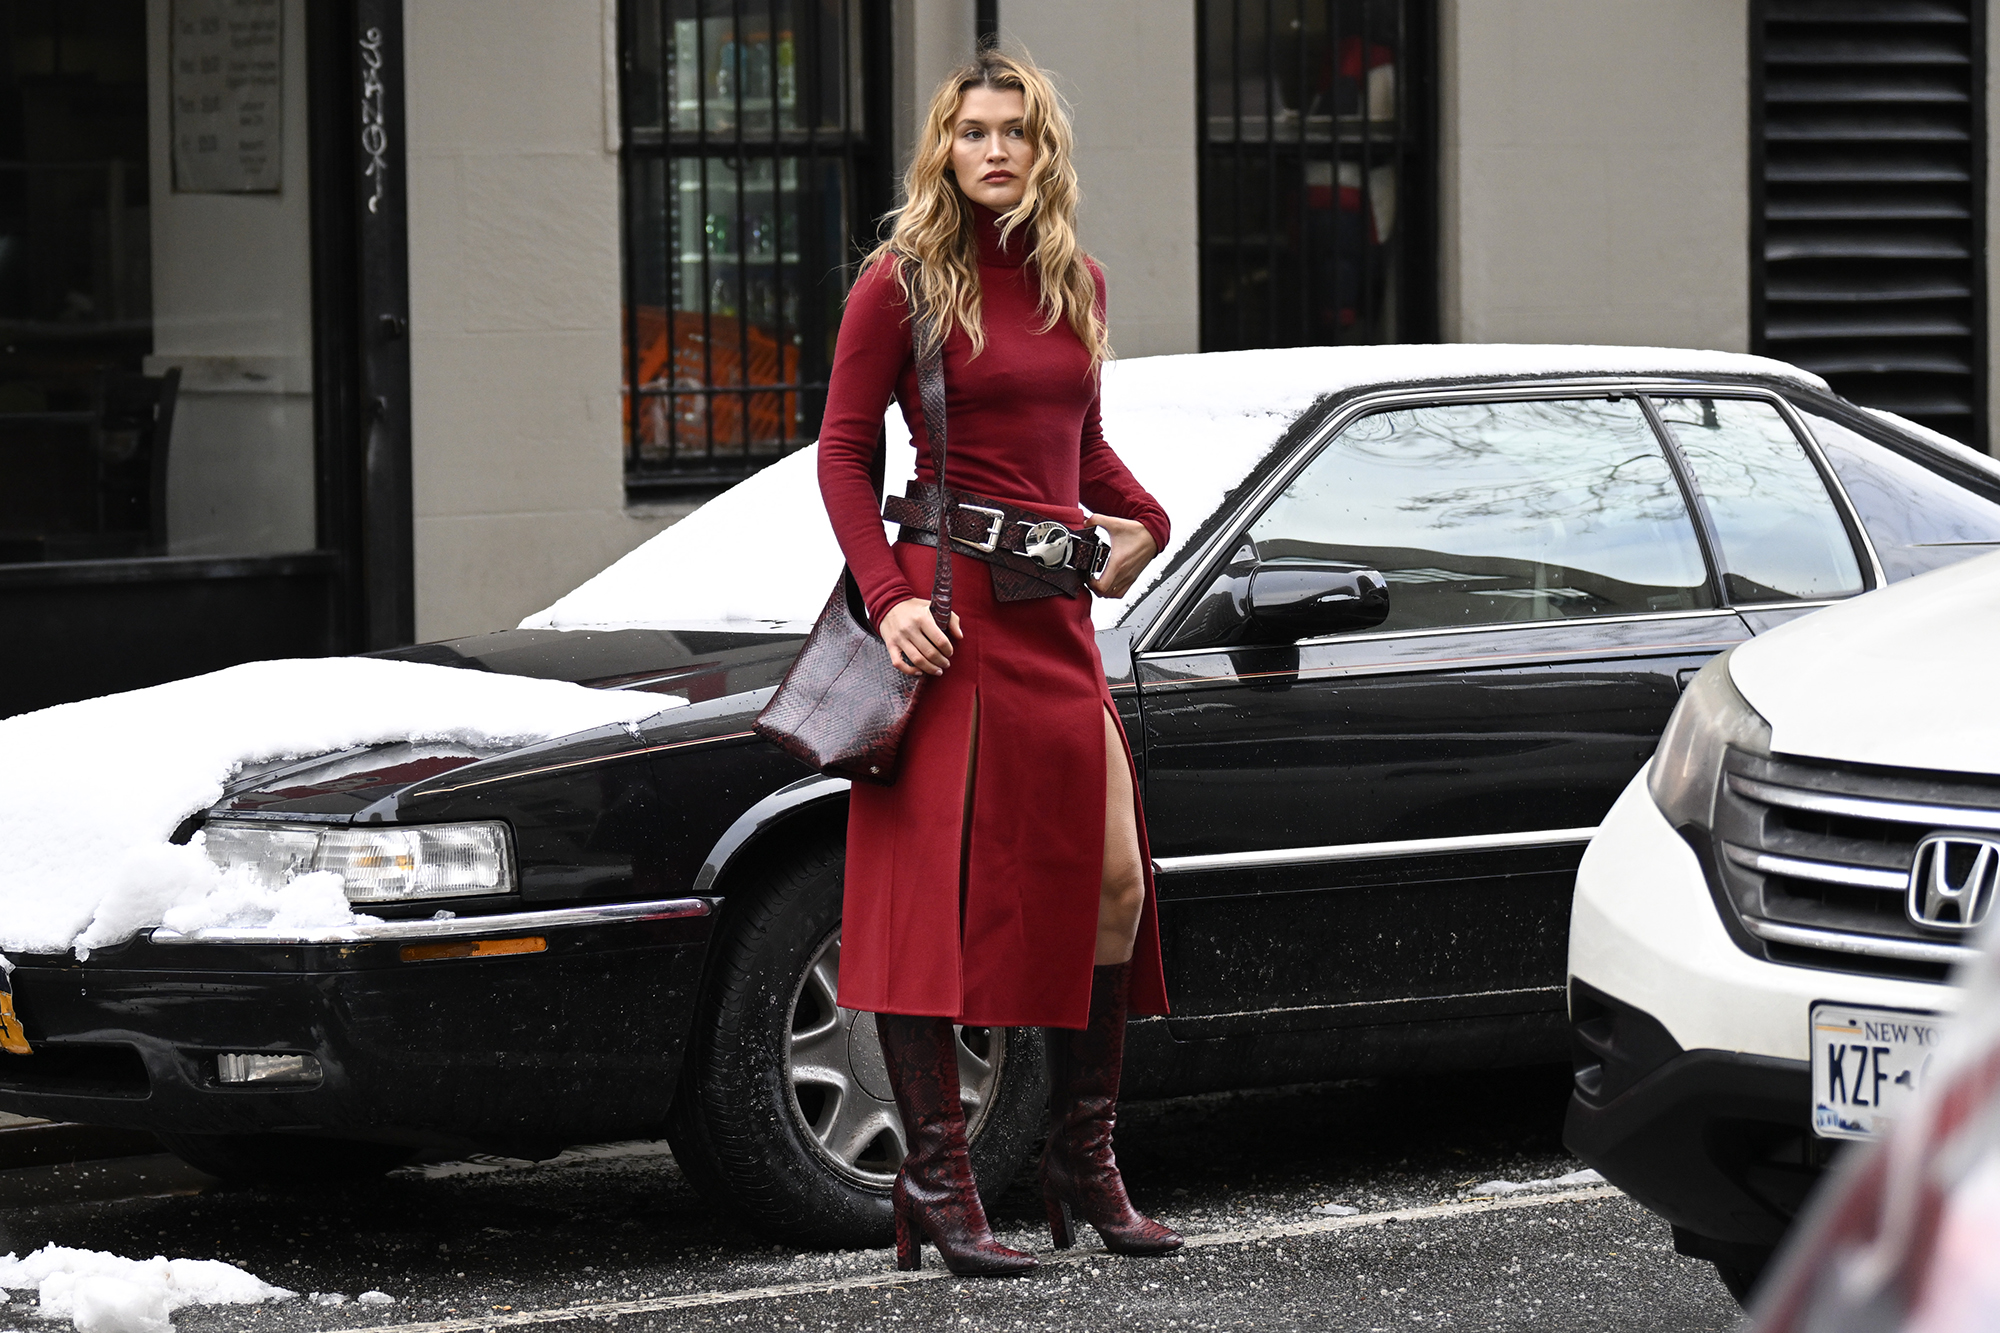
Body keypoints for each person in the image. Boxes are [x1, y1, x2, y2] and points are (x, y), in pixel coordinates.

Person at [816, 48, 1182, 1278]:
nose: (993, 149)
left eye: (1013, 130)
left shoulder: (1073, 278)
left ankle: (1081, 1161)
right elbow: (841, 455)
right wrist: (884, 598)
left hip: (1051, 617)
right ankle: (936, 1180)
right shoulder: (900, 280)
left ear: (1042, 146)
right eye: (971, 130)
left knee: (1117, 885)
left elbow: (1076, 448)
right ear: (943, 144)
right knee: (926, 908)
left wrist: (1147, 522)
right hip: (946, 615)